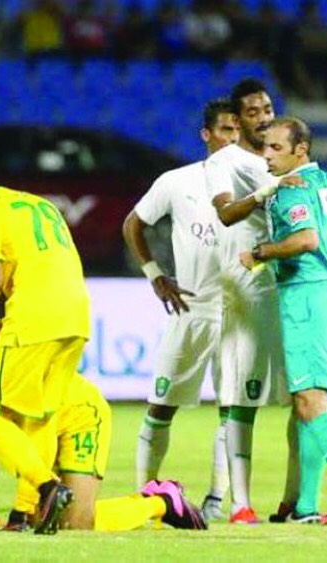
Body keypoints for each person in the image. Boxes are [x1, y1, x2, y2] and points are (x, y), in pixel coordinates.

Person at [204, 78, 327, 523]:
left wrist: (261, 253)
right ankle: (306, 506)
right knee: (309, 402)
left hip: (303, 296)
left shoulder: (288, 192)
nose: (265, 154)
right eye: (264, 147)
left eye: (273, 148)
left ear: (298, 152)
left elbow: (304, 239)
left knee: (309, 403)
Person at [0, 343, 207, 532]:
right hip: (38, 430)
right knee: (55, 521)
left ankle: (161, 502)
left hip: (78, 414)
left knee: (77, 525)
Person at [0, 157, 91, 535]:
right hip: (77, 314)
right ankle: (25, 514)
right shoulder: (37, 203)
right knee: (40, 416)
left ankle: (47, 487)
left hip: (34, 315)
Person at [123, 99, 240, 522]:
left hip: (237, 314)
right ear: (206, 134)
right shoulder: (177, 181)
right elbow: (132, 224)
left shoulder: (252, 183)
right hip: (190, 310)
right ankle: (144, 494)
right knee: (161, 406)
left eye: (237, 131)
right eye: (224, 130)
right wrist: (155, 274)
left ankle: (216, 501)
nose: (232, 138)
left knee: (231, 410)